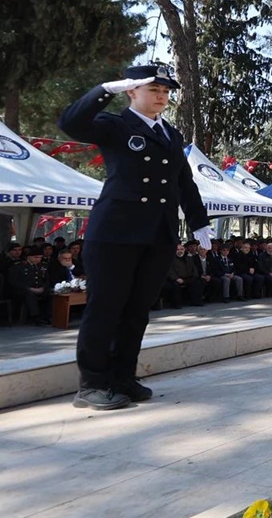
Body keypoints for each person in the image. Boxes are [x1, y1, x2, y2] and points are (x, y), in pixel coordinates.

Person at [58, 64, 212, 410]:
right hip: (115, 230)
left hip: (157, 233)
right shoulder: (115, 124)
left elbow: (183, 182)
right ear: (132, 91)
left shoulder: (170, 134)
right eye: (154, 90)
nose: (162, 97)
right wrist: (103, 90)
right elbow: (70, 123)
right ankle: (93, 383)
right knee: (105, 307)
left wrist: (199, 221)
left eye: (166, 92)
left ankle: (123, 377)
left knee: (137, 309)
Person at [8, 247, 51, 325]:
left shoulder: (43, 266)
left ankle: (46, 316)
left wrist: (43, 287)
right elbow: (13, 281)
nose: (38, 259)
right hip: (22, 290)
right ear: (29, 257)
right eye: (36, 257)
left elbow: (47, 279)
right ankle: (36, 317)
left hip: (39, 288)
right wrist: (29, 288)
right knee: (29, 295)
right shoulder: (19, 266)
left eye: (40, 257)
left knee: (49, 293)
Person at [163, 243, 205, 309]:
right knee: (175, 285)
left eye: (182, 249)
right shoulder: (171, 259)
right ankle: (176, 304)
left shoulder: (189, 258)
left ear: (184, 249)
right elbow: (170, 271)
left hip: (189, 278)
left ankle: (196, 301)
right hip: (177, 279)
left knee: (198, 282)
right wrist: (176, 278)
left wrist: (194, 276)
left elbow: (194, 268)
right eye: (178, 249)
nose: (180, 251)